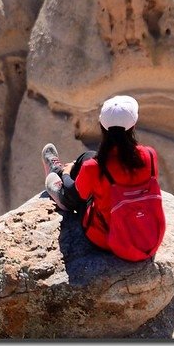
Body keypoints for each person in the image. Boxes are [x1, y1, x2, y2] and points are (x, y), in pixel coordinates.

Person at [42, 94, 161, 253]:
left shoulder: (94, 167)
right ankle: (60, 173)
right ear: (133, 126)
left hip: (108, 240)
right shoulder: (150, 155)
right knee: (88, 157)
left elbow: (78, 195)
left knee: (77, 192)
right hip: (149, 239)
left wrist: (67, 173)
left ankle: (60, 185)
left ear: (102, 127)